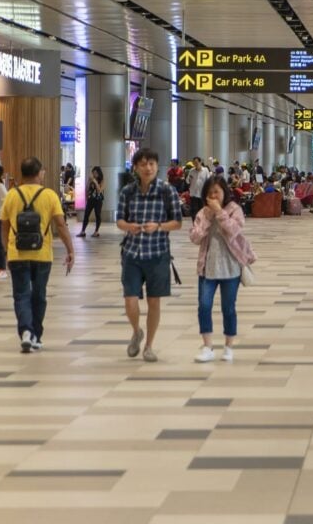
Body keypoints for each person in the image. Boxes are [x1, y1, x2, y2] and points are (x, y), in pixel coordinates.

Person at [0, 157, 75, 352]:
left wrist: (6, 251)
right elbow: (60, 225)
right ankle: (36, 336)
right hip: (42, 254)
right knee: (39, 295)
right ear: (39, 173)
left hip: (17, 253)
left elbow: (4, 226)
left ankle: (25, 331)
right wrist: (70, 250)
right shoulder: (49, 195)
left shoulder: (11, 195)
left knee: (21, 295)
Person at [117, 148, 183, 363]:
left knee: (154, 302)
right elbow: (120, 220)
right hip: (132, 253)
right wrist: (129, 226)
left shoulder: (167, 191)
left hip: (158, 253)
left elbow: (178, 222)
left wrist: (160, 227)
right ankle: (137, 331)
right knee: (130, 300)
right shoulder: (127, 191)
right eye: (143, 164)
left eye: (152, 164)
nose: (148, 168)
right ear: (135, 167)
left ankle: (149, 346)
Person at [189, 175, 256, 363]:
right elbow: (194, 238)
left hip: (230, 269)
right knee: (204, 306)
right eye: (209, 193)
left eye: (216, 192)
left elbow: (234, 230)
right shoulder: (203, 213)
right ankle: (208, 347)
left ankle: (228, 346)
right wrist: (208, 219)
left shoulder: (235, 210)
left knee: (228, 308)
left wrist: (219, 212)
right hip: (207, 269)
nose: (213, 196)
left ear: (224, 192)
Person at [77, 166, 105, 238]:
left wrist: (95, 182)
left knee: (97, 215)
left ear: (99, 173)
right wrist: (89, 181)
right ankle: (82, 231)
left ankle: (96, 231)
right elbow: (86, 189)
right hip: (90, 199)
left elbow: (99, 190)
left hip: (98, 200)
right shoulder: (91, 180)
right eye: (93, 173)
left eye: (95, 173)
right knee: (86, 214)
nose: (94, 175)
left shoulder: (102, 180)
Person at [186, 156, 210, 225]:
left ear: (200, 162)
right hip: (193, 194)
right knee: (194, 212)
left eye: (196, 163)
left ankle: (202, 226)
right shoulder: (191, 171)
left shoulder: (205, 170)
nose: (195, 164)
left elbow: (208, 181)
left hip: (202, 195)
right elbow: (187, 181)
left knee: (202, 212)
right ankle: (195, 225)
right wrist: (189, 179)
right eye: (194, 163)